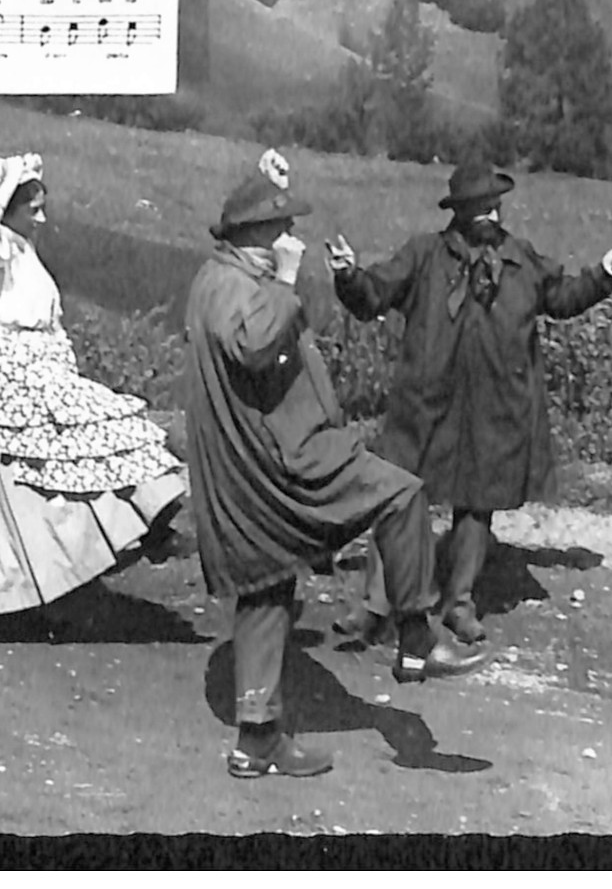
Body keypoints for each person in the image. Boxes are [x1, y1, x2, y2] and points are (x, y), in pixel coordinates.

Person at [182, 150, 488, 781]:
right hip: (282, 464)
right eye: (281, 230)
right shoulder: (232, 287)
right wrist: (287, 283)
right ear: (253, 236)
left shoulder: (228, 281)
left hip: (259, 463)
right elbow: (255, 346)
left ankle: (256, 739)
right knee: (402, 494)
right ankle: (415, 638)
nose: (292, 239)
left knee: (267, 588)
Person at [326, 159, 612, 644]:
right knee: (397, 497)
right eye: (478, 207)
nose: (489, 214)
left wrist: (602, 277)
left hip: (495, 402)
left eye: (494, 204)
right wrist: (348, 276)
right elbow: (374, 294)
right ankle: (376, 605)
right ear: (459, 212)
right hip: (427, 402)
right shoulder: (425, 255)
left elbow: (561, 296)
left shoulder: (519, 258)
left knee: (478, 502)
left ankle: (459, 603)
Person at [0, 153, 191, 622]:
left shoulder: (19, 246)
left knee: (79, 456)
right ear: (10, 206)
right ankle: (138, 535)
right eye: (32, 207)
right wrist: (5, 189)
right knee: (49, 472)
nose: (42, 217)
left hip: (43, 365)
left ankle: (147, 527)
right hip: (16, 371)